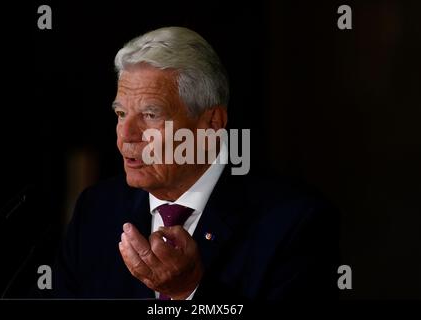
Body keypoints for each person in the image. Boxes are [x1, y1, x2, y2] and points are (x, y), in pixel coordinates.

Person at [48, 26, 339, 300]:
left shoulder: (294, 223)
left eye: (151, 115)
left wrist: (189, 291)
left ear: (212, 122)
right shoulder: (97, 210)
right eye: (121, 114)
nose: (126, 136)